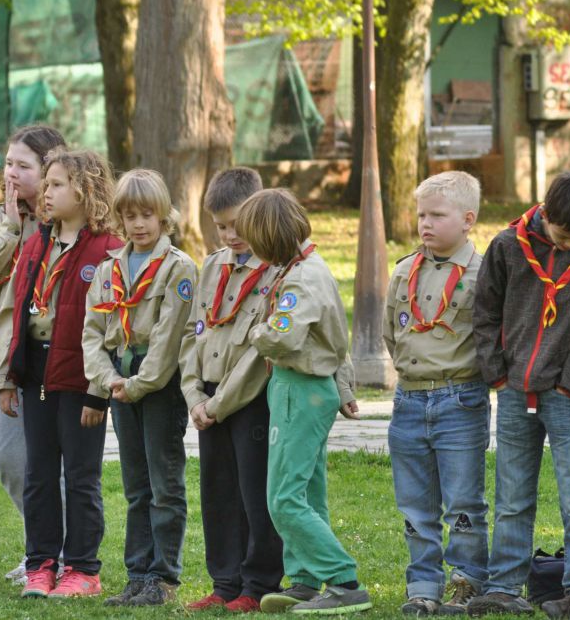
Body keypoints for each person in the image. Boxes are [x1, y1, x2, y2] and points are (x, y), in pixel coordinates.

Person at [467, 172, 570, 618]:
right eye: (563, 236)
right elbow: (485, 310)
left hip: (564, 394)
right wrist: (497, 374)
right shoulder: (507, 246)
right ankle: (506, 586)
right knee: (512, 494)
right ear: (545, 214)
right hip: (513, 390)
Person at [234, 188, 372, 615]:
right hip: (307, 387)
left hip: (300, 389)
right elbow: (335, 338)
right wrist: (344, 390)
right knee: (309, 493)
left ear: (266, 237)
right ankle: (307, 579)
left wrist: (255, 331)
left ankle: (344, 579)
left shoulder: (299, 279)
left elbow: (283, 336)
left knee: (283, 496)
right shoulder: (306, 268)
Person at [3, 149, 123, 598]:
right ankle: (41, 563)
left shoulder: (107, 248)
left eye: (56, 185)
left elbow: (109, 327)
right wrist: (10, 375)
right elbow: (19, 312)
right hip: (37, 373)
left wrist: (99, 389)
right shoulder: (37, 243)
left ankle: (83, 568)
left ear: (85, 189)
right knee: (38, 474)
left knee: (80, 474)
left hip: (81, 376)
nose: (46, 193)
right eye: (47, 184)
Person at [82, 168, 197, 607]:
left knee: (164, 482)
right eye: (129, 215)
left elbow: (170, 337)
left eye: (147, 214)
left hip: (158, 387)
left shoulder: (178, 268)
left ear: (164, 215)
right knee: (135, 485)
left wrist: (139, 384)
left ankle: (162, 577)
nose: (138, 224)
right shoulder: (110, 266)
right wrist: (107, 378)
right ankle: (136, 574)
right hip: (120, 383)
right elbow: (92, 330)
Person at [384, 171, 489, 616]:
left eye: (437, 215)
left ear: (467, 220)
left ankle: (465, 579)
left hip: (459, 399)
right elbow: (393, 332)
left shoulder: (483, 273)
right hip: (409, 399)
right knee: (414, 502)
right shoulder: (405, 270)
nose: (425, 224)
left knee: (463, 500)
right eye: (421, 214)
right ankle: (423, 581)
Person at [179, 168, 284, 614]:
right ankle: (224, 583)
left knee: (254, 493)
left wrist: (219, 403)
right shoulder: (213, 266)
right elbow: (192, 334)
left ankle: (257, 584)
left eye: (238, 224)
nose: (230, 234)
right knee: (218, 491)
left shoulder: (277, 270)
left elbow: (260, 352)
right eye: (221, 226)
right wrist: (193, 396)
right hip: (209, 396)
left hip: (248, 398)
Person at [0, 124, 65, 583]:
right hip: (9, 354)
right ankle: (40, 548)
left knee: (50, 458)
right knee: (8, 459)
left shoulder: (66, 218)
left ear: (49, 171)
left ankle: (52, 554)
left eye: (23, 166)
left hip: (55, 352)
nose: (11, 173)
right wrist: (8, 229)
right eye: (8, 163)